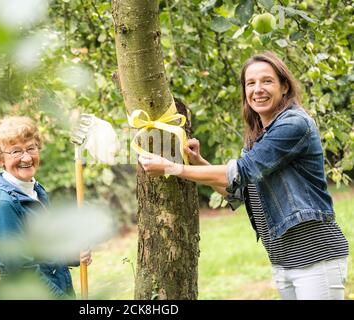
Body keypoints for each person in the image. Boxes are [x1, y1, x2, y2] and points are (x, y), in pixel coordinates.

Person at [139, 51, 349, 300]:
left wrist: (171, 168)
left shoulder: (294, 124)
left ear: (284, 87)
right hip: (283, 260)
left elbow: (242, 171)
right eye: (251, 83)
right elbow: (238, 191)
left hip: (315, 258)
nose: (258, 89)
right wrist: (199, 162)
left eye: (267, 81)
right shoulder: (259, 136)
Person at [0, 115, 92, 299]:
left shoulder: (36, 192)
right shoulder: (3, 205)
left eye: (31, 148)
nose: (26, 157)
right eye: (16, 151)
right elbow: (24, 273)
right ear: (0, 160)